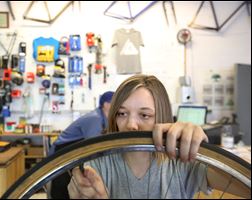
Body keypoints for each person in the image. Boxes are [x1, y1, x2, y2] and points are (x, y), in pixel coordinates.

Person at [67, 75, 248, 199]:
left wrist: (202, 149)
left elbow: (244, 180)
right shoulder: (99, 167)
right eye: (122, 113)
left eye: (144, 115)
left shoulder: (184, 161)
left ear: (161, 117)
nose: (131, 124)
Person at [48, 91, 114, 156]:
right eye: (115, 102)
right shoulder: (95, 118)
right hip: (61, 150)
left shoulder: (104, 117)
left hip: (73, 150)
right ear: (106, 104)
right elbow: (94, 146)